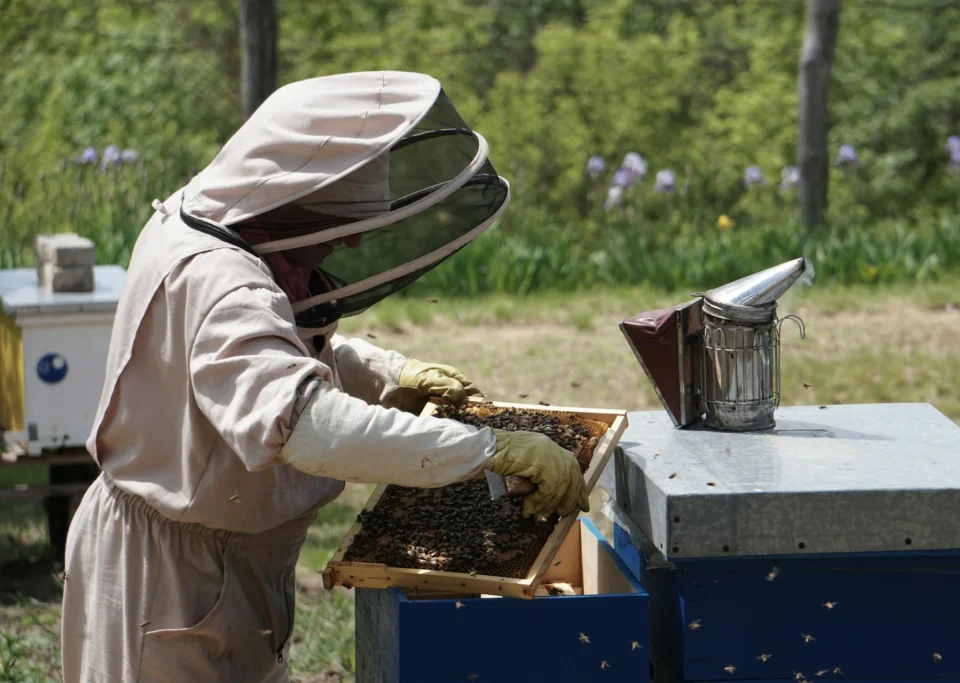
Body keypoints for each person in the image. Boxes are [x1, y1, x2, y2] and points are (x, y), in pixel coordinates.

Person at [61, 71, 589, 683]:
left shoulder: (217, 229)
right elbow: (304, 425)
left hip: (217, 558)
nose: (358, 237)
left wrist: (390, 373)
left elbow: (260, 358)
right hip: (170, 576)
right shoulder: (218, 280)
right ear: (295, 201)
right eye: (344, 219)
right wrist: (487, 450)